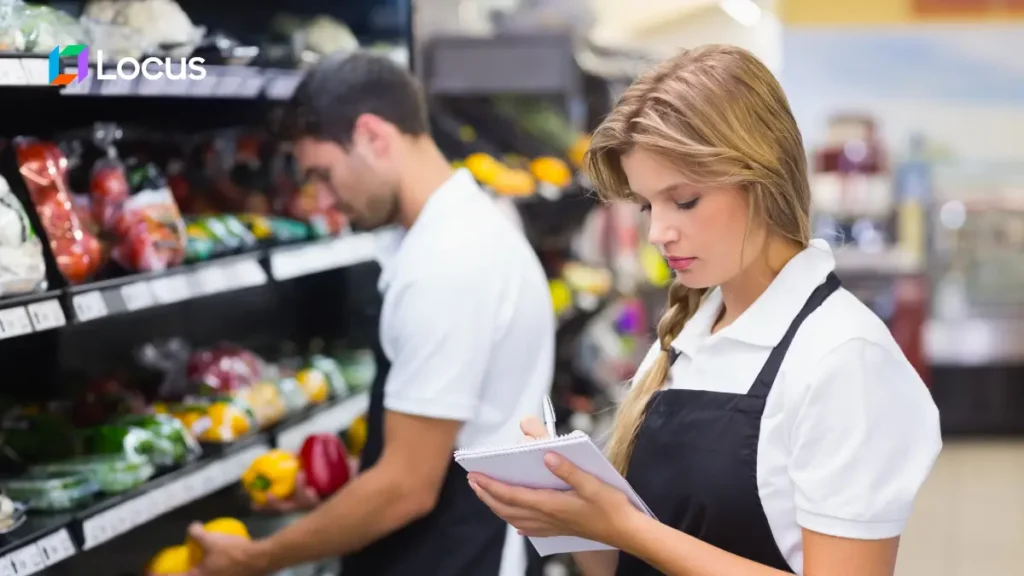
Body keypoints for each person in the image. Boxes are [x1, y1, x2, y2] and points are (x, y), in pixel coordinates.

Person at [468, 45, 942, 576]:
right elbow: (623, 566)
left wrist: (627, 527)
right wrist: (567, 510)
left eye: (685, 200)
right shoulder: (685, 337)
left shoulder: (842, 357)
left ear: (761, 180)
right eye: (648, 205)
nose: (657, 233)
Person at [186, 52, 555, 576]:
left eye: (324, 173)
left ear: (373, 137)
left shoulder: (447, 262)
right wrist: (339, 492)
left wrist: (256, 558)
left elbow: (406, 488)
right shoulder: (465, 228)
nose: (325, 199)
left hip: (456, 555)